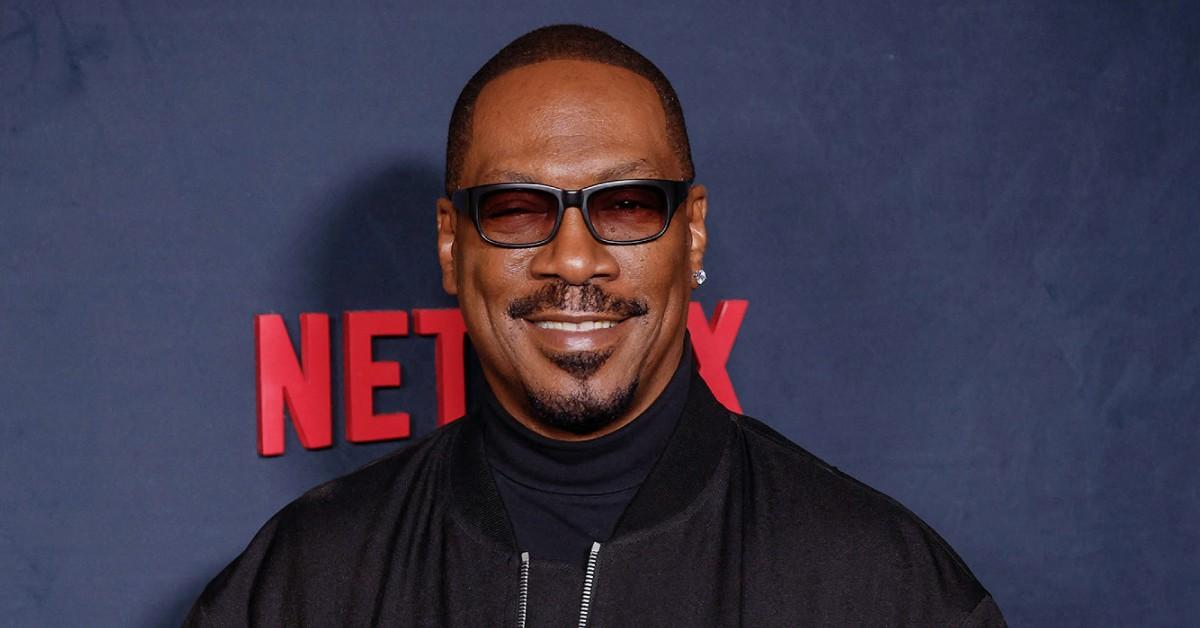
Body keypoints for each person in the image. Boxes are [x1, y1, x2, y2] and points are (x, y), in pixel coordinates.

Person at [186, 24, 1005, 627]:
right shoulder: (302, 584)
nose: (574, 261)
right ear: (450, 246)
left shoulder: (881, 588)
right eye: (515, 209)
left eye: (627, 205)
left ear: (692, 235)